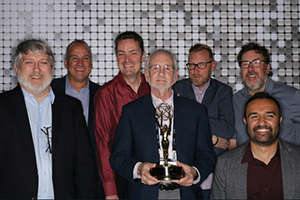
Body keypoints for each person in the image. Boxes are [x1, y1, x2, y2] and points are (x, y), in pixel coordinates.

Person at [110, 49, 216, 199]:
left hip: (184, 193)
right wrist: (139, 169)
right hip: (144, 192)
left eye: (167, 68)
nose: (161, 73)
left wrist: (194, 172)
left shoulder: (196, 112)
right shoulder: (131, 112)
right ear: (146, 75)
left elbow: (207, 156)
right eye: (155, 68)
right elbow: (118, 158)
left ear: (175, 76)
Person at [0, 39, 97, 199]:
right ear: (17, 68)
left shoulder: (71, 108)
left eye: (43, 62)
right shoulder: (2, 107)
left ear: (52, 68)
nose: (36, 69)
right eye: (29, 62)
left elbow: (84, 167)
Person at [173, 43, 235, 198]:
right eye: (192, 65)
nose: (195, 71)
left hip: (213, 172)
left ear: (212, 65)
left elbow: (227, 128)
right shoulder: (177, 89)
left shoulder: (223, 91)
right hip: (183, 170)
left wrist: (189, 118)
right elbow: (174, 126)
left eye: (201, 65)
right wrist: (213, 138)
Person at [211, 92, 300, 199]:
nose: (262, 122)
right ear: (245, 122)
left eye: (269, 116)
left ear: (280, 121)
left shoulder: (298, 159)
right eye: (254, 116)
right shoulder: (225, 163)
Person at [94, 31, 150, 199]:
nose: (127, 60)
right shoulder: (105, 94)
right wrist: (110, 191)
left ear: (143, 56)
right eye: (121, 54)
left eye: (133, 53)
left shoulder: (154, 89)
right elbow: (103, 144)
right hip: (120, 176)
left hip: (152, 174)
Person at [51, 39, 104, 198]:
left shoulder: (103, 95)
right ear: (66, 63)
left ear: (91, 64)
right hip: (56, 176)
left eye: (85, 58)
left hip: (92, 178)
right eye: (74, 58)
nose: (80, 63)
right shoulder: (49, 90)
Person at [232, 42, 300, 146]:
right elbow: (233, 143)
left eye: (256, 63)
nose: (250, 69)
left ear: (267, 68)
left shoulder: (292, 97)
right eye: (245, 64)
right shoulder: (234, 101)